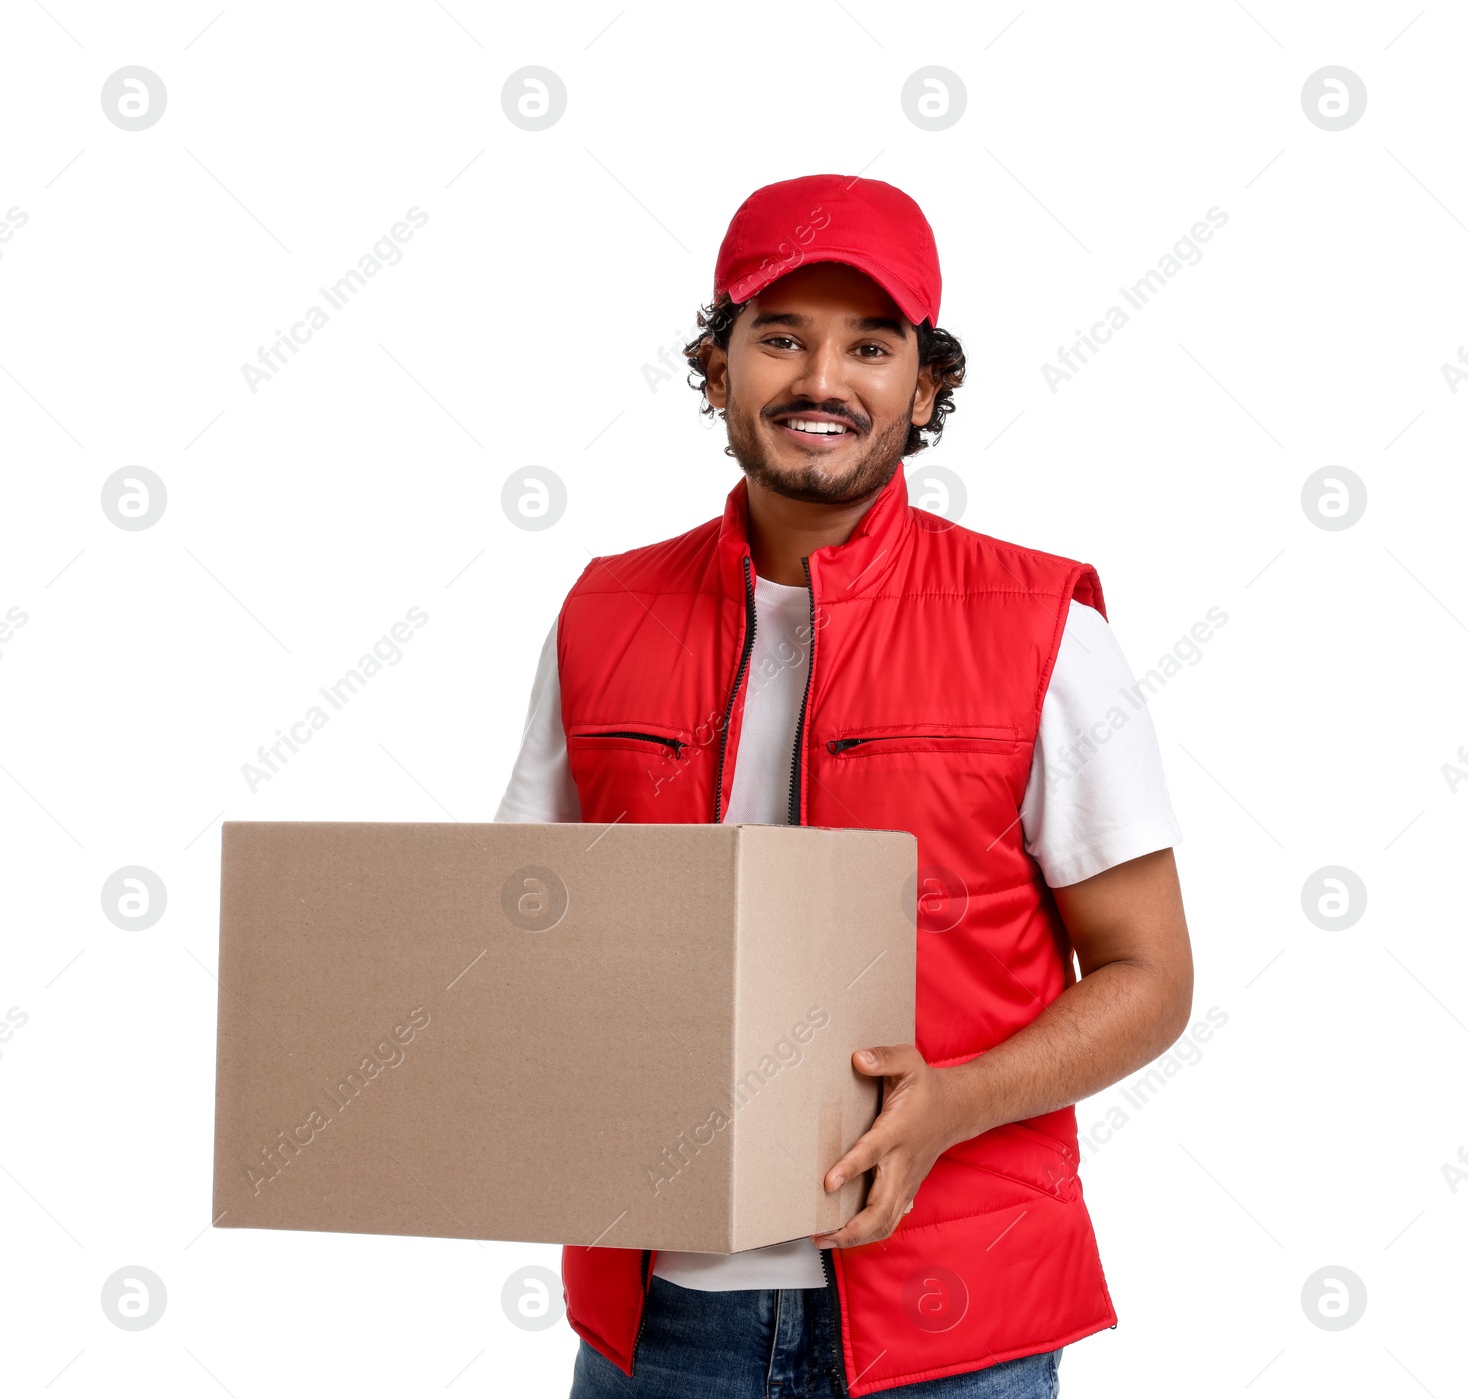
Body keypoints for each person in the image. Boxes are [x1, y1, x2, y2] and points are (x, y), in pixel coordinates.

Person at [495, 173, 1194, 1398]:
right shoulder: (600, 614)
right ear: (716, 369)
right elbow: (516, 930)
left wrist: (956, 1101)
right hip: (658, 1322)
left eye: (870, 345)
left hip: (952, 1321)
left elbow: (1150, 978)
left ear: (925, 387)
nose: (823, 381)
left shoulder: (1042, 629)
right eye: (780, 338)